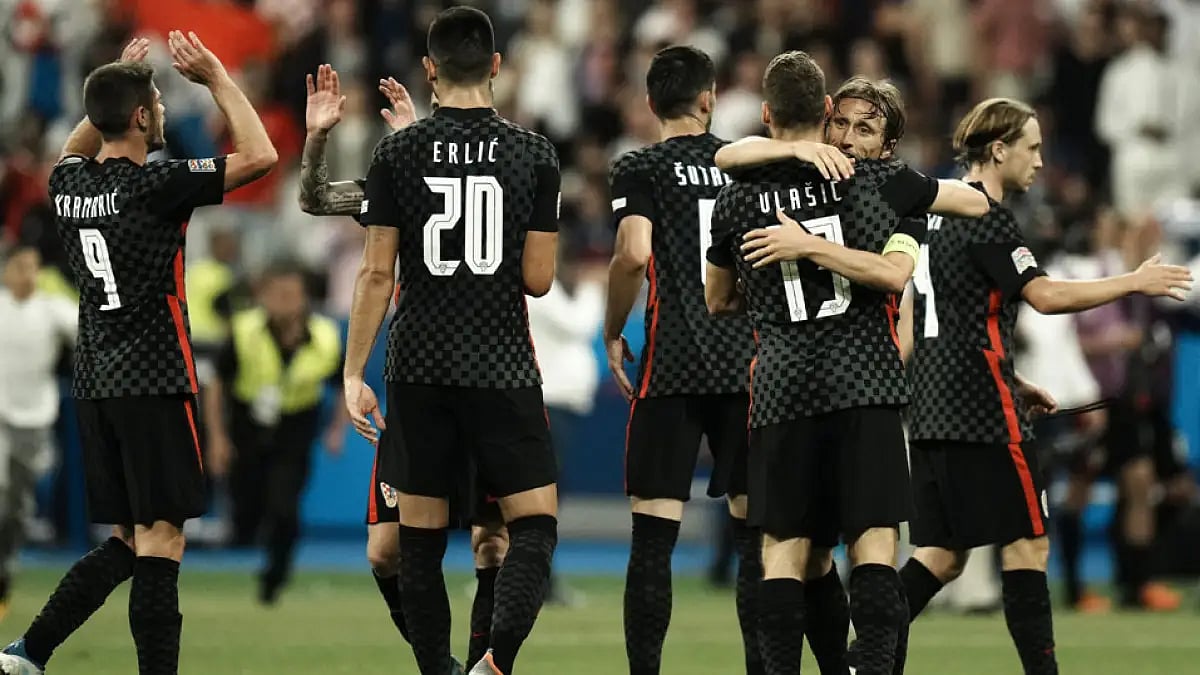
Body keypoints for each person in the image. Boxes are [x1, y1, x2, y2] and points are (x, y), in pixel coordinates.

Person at [704, 50, 989, 675]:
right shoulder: (879, 186)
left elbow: (716, 297)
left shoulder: (736, 199)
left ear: (765, 113)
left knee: (783, 551)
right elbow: (959, 217)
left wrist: (787, 264)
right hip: (865, 383)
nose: (850, 137)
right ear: (827, 112)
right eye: (845, 124)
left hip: (781, 387)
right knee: (874, 549)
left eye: (866, 129)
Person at [0, 32, 277, 675]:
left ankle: (29, 652)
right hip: (154, 377)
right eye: (153, 99)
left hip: (96, 379)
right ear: (142, 118)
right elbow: (260, 156)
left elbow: (77, 144)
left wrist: (115, 85)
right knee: (162, 540)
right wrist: (215, 77)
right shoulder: (159, 184)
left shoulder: (67, 185)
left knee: (127, 541)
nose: (160, 107)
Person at [901, 97, 1192, 675]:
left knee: (941, 555)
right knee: (1028, 543)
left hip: (932, 403)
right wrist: (1135, 281)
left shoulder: (929, 215)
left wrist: (1016, 377)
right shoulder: (984, 214)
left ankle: (863, 655)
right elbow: (1046, 295)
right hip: (981, 411)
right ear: (1000, 149)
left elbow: (951, 318)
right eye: (1031, 148)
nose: (1039, 161)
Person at [345, 8, 560, 675]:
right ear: (496, 66)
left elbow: (377, 272)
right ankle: (494, 664)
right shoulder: (534, 154)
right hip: (500, 364)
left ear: (430, 71)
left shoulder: (397, 152)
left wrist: (354, 372)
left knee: (418, 543)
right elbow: (539, 279)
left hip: (419, 364)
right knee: (532, 526)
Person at [298, 63, 508, 669]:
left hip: (487, 374)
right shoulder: (399, 179)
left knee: (491, 539)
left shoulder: (501, 170)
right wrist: (316, 139)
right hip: (417, 380)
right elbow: (314, 198)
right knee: (385, 552)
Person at [202, 262, 345, 604]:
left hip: (295, 426)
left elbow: (343, 383)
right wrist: (218, 437)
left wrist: (337, 430)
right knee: (246, 508)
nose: (285, 302)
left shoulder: (325, 336)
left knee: (285, 505)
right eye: (277, 295)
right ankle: (251, 538)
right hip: (247, 424)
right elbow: (217, 382)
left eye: (292, 295)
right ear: (264, 297)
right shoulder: (243, 330)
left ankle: (275, 576)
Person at [0, 246, 77, 619]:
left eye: (33, 267)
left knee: (17, 505)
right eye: (20, 267)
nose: (27, 275)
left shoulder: (51, 308)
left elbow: (88, 329)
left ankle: (6, 564)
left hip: (34, 418)